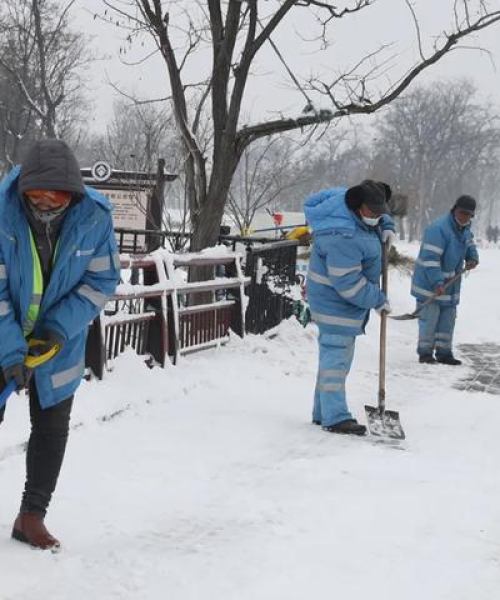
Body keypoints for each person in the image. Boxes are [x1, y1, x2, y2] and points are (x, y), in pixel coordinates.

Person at [0, 139, 121, 549]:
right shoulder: (2, 212)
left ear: (75, 191)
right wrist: (12, 351)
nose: (48, 203)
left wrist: (57, 328)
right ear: (23, 189)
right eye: (38, 194)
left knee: (51, 429)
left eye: (58, 194)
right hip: (2, 332)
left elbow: (102, 280)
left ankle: (31, 516)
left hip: (59, 343)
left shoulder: (94, 217)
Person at [304, 180, 395, 436]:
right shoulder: (342, 234)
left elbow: (378, 216)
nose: (376, 216)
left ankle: (322, 412)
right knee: (336, 359)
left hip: (336, 301)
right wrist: (377, 299)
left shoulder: (352, 212)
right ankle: (336, 417)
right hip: (335, 303)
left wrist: (386, 224)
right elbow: (347, 283)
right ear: (357, 206)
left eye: (381, 212)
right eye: (372, 212)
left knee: (333, 358)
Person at [411, 195, 479, 365]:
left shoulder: (465, 229)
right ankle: (425, 353)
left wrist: (472, 257)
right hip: (430, 284)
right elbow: (430, 259)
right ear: (455, 209)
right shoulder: (438, 229)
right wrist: (437, 283)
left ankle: (444, 353)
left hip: (451, 285)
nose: (464, 217)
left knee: (447, 320)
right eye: (462, 212)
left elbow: (469, 244)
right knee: (430, 319)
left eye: (468, 215)